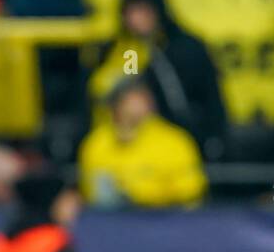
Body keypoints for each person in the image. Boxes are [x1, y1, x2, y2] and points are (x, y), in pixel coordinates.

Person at [87, 0, 229, 158]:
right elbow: (123, 86)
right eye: (130, 12)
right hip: (126, 145)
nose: (135, 19)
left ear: (158, 11)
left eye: (143, 11)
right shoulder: (124, 50)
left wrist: (215, 139)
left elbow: (211, 98)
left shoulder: (187, 49)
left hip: (183, 143)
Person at [77, 77, 207, 208]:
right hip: (114, 220)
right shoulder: (97, 142)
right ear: (115, 104)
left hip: (166, 217)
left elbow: (191, 189)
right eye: (130, 97)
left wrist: (141, 194)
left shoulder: (173, 140)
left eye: (142, 96)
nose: (139, 102)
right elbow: (91, 189)